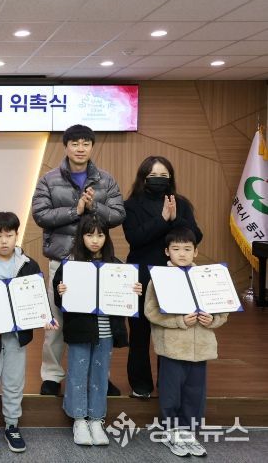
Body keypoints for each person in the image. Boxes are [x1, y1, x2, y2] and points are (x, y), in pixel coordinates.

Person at [31, 124, 125, 396]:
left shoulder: (106, 180)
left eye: (85, 143)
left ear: (92, 146)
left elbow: (118, 215)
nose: (80, 148)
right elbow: (40, 215)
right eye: (75, 143)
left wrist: (94, 207)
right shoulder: (49, 179)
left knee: (98, 321)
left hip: (96, 262)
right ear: (66, 146)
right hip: (62, 260)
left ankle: (100, 375)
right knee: (56, 321)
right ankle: (51, 376)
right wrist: (76, 210)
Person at [0, 211, 58, 455]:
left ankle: (12, 425)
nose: (4, 241)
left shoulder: (29, 265)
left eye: (9, 235)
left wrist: (45, 317)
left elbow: (37, 297)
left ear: (17, 235)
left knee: (14, 383)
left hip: (17, 338)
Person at [53, 214, 139, 446]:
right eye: (89, 235)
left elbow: (127, 299)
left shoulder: (116, 265)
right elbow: (61, 301)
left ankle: (96, 419)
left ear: (106, 237)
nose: (95, 240)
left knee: (100, 375)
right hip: (80, 331)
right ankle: (79, 420)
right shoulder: (70, 265)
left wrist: (133, 291)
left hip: (106, 332)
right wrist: (61, 291)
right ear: (81, 237)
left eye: (100, 235)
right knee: (78, 373)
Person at [124, 156, 202, 399]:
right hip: (141, 276)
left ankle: (167, 384)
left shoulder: (181, 203)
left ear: (171, 178)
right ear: (143, 178)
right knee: (139, 334)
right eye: (154, 176)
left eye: (164, 176)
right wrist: (162, 220)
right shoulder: (131, 205)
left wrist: (176, 217)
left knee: (169, 332)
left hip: (173, 277)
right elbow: (135, 238)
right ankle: (140, 385)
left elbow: (195, 236)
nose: (159, 180)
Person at [144, 228, 227, 457]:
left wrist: (213, 319)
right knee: (171, 391)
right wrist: (179, 321)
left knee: (195, 392)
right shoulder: (159, 278)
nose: (182, 254)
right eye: (176, 249)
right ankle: (171, 432)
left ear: (196, 252)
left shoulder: (208, 277)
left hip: (200, 348)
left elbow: (223, 308)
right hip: (173, 347)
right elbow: (151, 311)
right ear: (167, 251)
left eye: (187, 249)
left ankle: (188, 432)